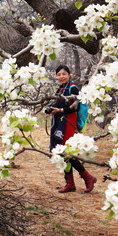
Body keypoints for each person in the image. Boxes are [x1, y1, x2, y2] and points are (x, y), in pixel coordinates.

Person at [45, 65, 96, 193]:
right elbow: (56, 103)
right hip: (59, 122)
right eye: (59, 74)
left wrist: (61, 110)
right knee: (61, 152)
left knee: (67, 152)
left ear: (69, 75)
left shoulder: (73, 88)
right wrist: (50, 109)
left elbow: (75, 106)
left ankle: (88, 177)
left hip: (68, 122)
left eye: (64, 74)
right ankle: (70, 183)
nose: (61, 76)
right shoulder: (60, 89)